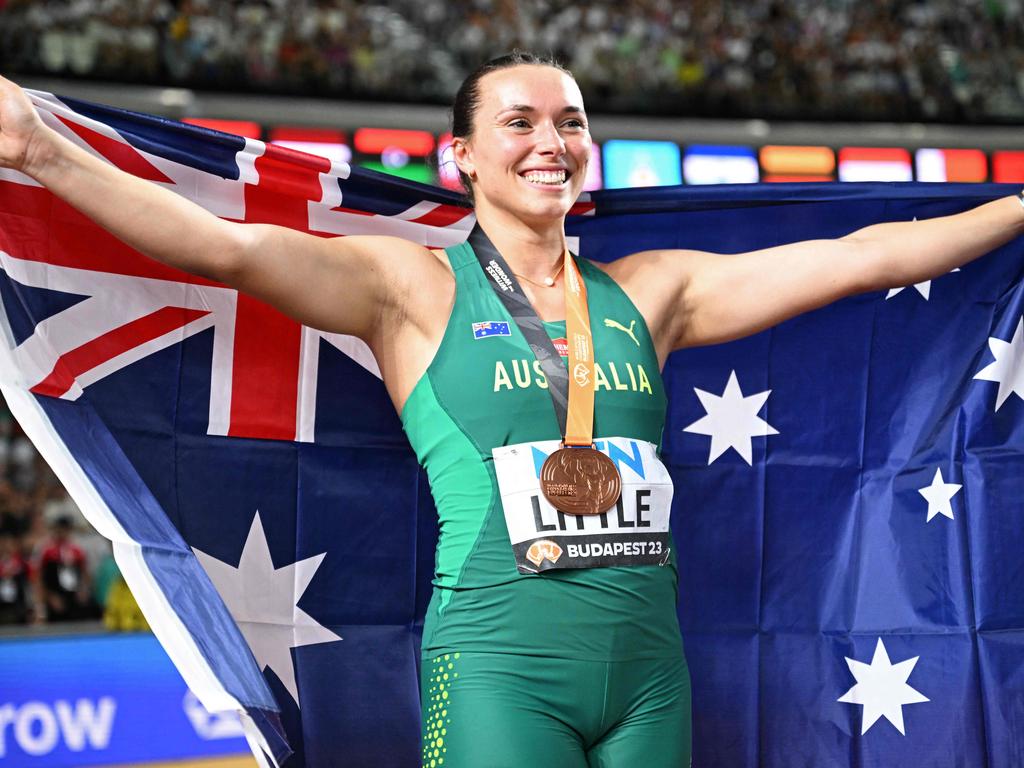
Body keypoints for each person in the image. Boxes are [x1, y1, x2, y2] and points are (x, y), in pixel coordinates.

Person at [1, 51, 1022, 767]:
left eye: (569, 121)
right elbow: (217, 248)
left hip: (649, 680)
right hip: (499, 670)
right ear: (462, 160)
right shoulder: (408, 289)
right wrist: (45, 152)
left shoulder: (653, 293)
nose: (551, 141)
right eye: (520, 122)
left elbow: (860, 259)